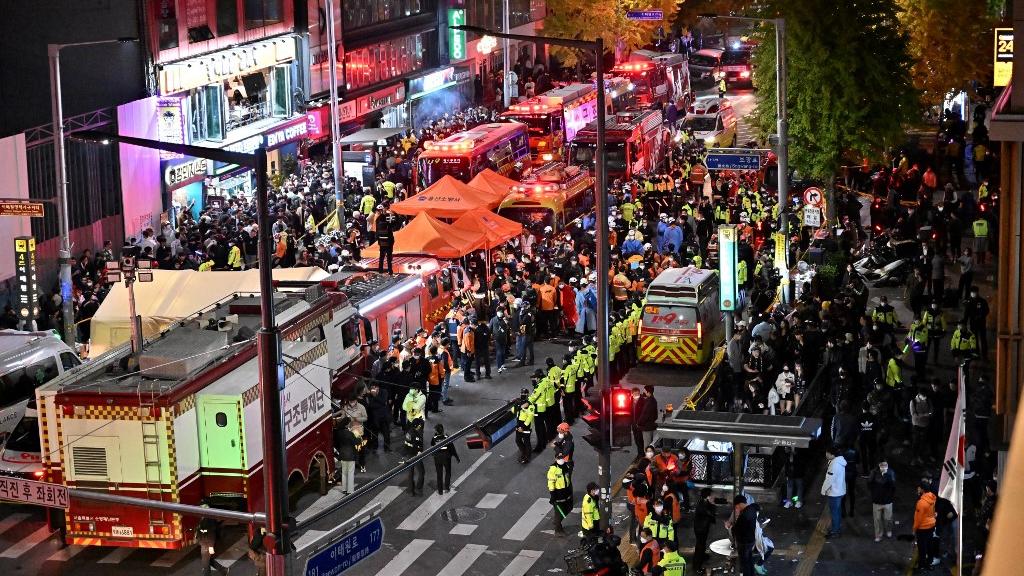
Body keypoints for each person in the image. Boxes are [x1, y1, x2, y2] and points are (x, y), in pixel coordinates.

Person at [821, 446, 847, 538]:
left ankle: (835, 531)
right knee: (838, 511)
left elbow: (829, 480)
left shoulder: (834, 464)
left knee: (834, 512)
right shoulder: (840, 462)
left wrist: (823, 490)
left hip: (834, 492)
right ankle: (837, 528)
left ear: (832, 454)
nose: (826, 454)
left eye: (827, 453)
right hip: (840, 490)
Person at [867, 459, 896, 542]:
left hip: (887, 500)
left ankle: (888, 530)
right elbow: (869, 484)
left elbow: (893, 485)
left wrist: (887, 475)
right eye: (882, 465)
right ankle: (878, 535)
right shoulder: (873, 473)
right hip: (877, 501)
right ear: (879, 465)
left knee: (888, 519)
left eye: (885, 465)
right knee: (877, 519)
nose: (884, 467)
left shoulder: (891, 473)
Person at [730, 495, 758, 576]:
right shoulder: (752, 509)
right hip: (751, 540)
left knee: (745, 563)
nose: (737, 508)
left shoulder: (744, 515)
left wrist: (732, 527)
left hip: (744, 542)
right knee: (749, 560)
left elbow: (737, 529)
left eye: (737, 507)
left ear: (739, 504)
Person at [197, 503, 228, 575]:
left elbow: (211, 534)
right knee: (208, 560)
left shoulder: (208, 521)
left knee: (205, 563)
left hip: (207, 544)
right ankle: (224, 570)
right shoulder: (205, 519)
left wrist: (211, 546)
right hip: (205, 543)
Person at [913, 480, 938, 570]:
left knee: (922, 547)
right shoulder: (932, 497)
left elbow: (918, 518)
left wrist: (914, 528)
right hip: (931, 525)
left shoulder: (921, 503)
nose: (917, 489)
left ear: (922, 489)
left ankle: (921, 565)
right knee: (929, 545)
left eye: (919, 487)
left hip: (922, 528)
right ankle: (929, 563)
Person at [547, 452, 573, 535]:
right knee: (559, 512)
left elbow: (568, 478)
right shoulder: (553, 469)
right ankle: (558, 530)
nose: (561, 459)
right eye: (559, 458)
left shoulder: (566, 466)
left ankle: (557, 521)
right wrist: (553, 495)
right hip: (558, 493)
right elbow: (551, 483)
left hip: (566, 492)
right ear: (556, 459)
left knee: (569, 508)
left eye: (562, 458)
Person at [333, 416, 360, 494]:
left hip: (342, 454)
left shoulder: (339, 432)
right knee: (350, 472)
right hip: (350, 455)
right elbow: (356, 442)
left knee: (344, 473)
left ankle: (344, 489)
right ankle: (350, 490)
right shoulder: (349, 433)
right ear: (347, 424)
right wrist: (359, 437)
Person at [431, 423, 461, 495]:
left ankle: (440, 491)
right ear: (443, 430)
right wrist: (456, 457)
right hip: (446, 458)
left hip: (437, 458)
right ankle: (447, 488)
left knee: (439, 474)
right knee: (448, 472)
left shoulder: (434, 438)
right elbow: (452, 448)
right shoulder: (446, 437)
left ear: (436, 431)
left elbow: (432, 446)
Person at [692, 487, 716, 574]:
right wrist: (713, 505)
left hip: (701, 527)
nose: (713, 496)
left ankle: (702, 556)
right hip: (701, 528)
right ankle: (697, 566)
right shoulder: (703, 506)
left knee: (702, 544)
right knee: (700, 546)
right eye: (712, 495)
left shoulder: (703, 502)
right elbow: (711, 515)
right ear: (708, 496)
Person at [404, 417, 425, 495]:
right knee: (422, 472)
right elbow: (418, 446)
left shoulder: (409, 432)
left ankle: (410, 490)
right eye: (420, 426)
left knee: (411, 472)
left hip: (409, 454)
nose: (421, 427)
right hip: (415, 455)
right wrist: (420, 451)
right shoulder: (416, 434)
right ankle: (418, 488)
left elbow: (407, 444)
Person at [514, 389, 536, 464]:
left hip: (525, 427)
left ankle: (527, 457)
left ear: (527, 394)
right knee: (518, 440)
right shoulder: (519, 403)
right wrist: (514, 404)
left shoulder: (530, 405)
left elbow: (529, 418)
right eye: (521, 393)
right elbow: (513, 411)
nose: (522, 394)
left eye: (524, 393)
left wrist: (522, 427)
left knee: (527, 442)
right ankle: (524, 452)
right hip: (518, 425)